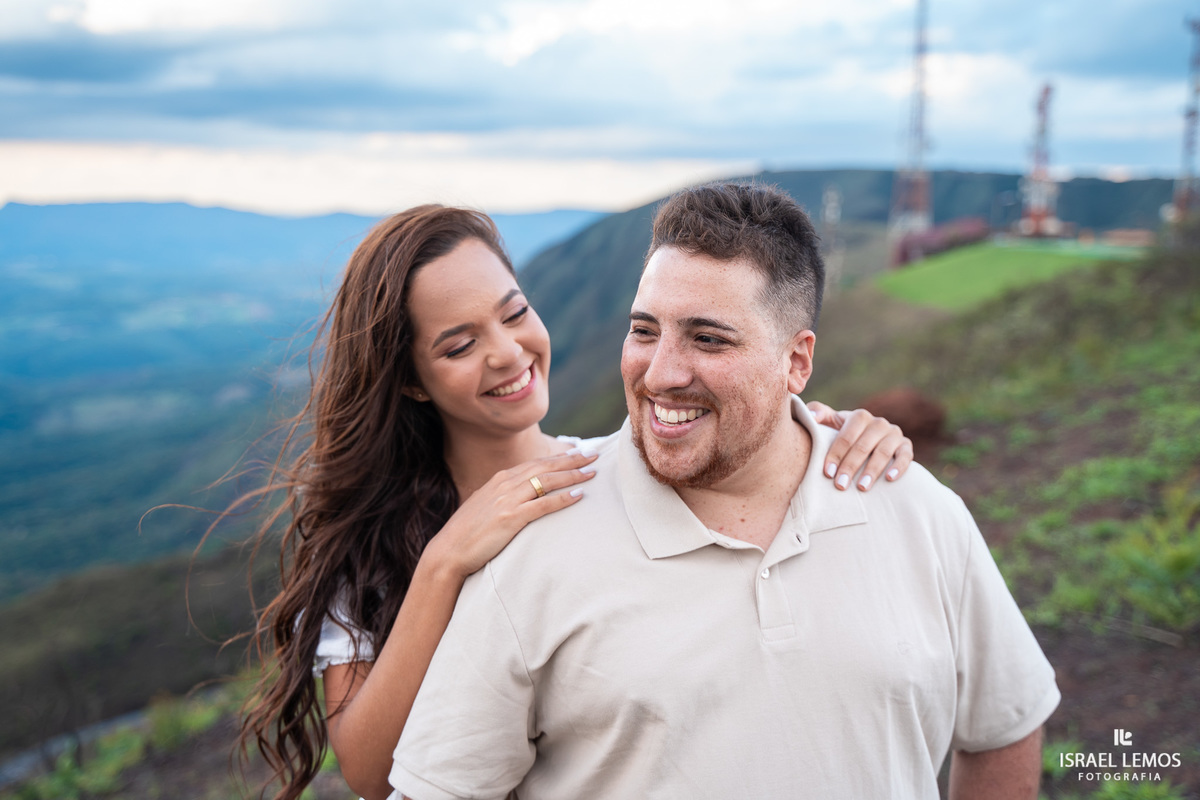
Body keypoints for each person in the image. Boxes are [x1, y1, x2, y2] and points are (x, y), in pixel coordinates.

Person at [389, 184, 1060, 800]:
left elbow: (1004, 725)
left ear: (796, 362)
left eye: (708, 339)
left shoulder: (918, 509)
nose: (661, 372)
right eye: (644, 330)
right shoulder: (534, 543)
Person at [238, 203, 915, 800]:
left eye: (514, 314)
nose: (508, 353)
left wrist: (809, 432)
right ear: (412, 381)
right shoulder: (375, 539)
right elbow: (367, 772)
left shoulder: (615, 475)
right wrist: (445, 562)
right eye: (460, 344)